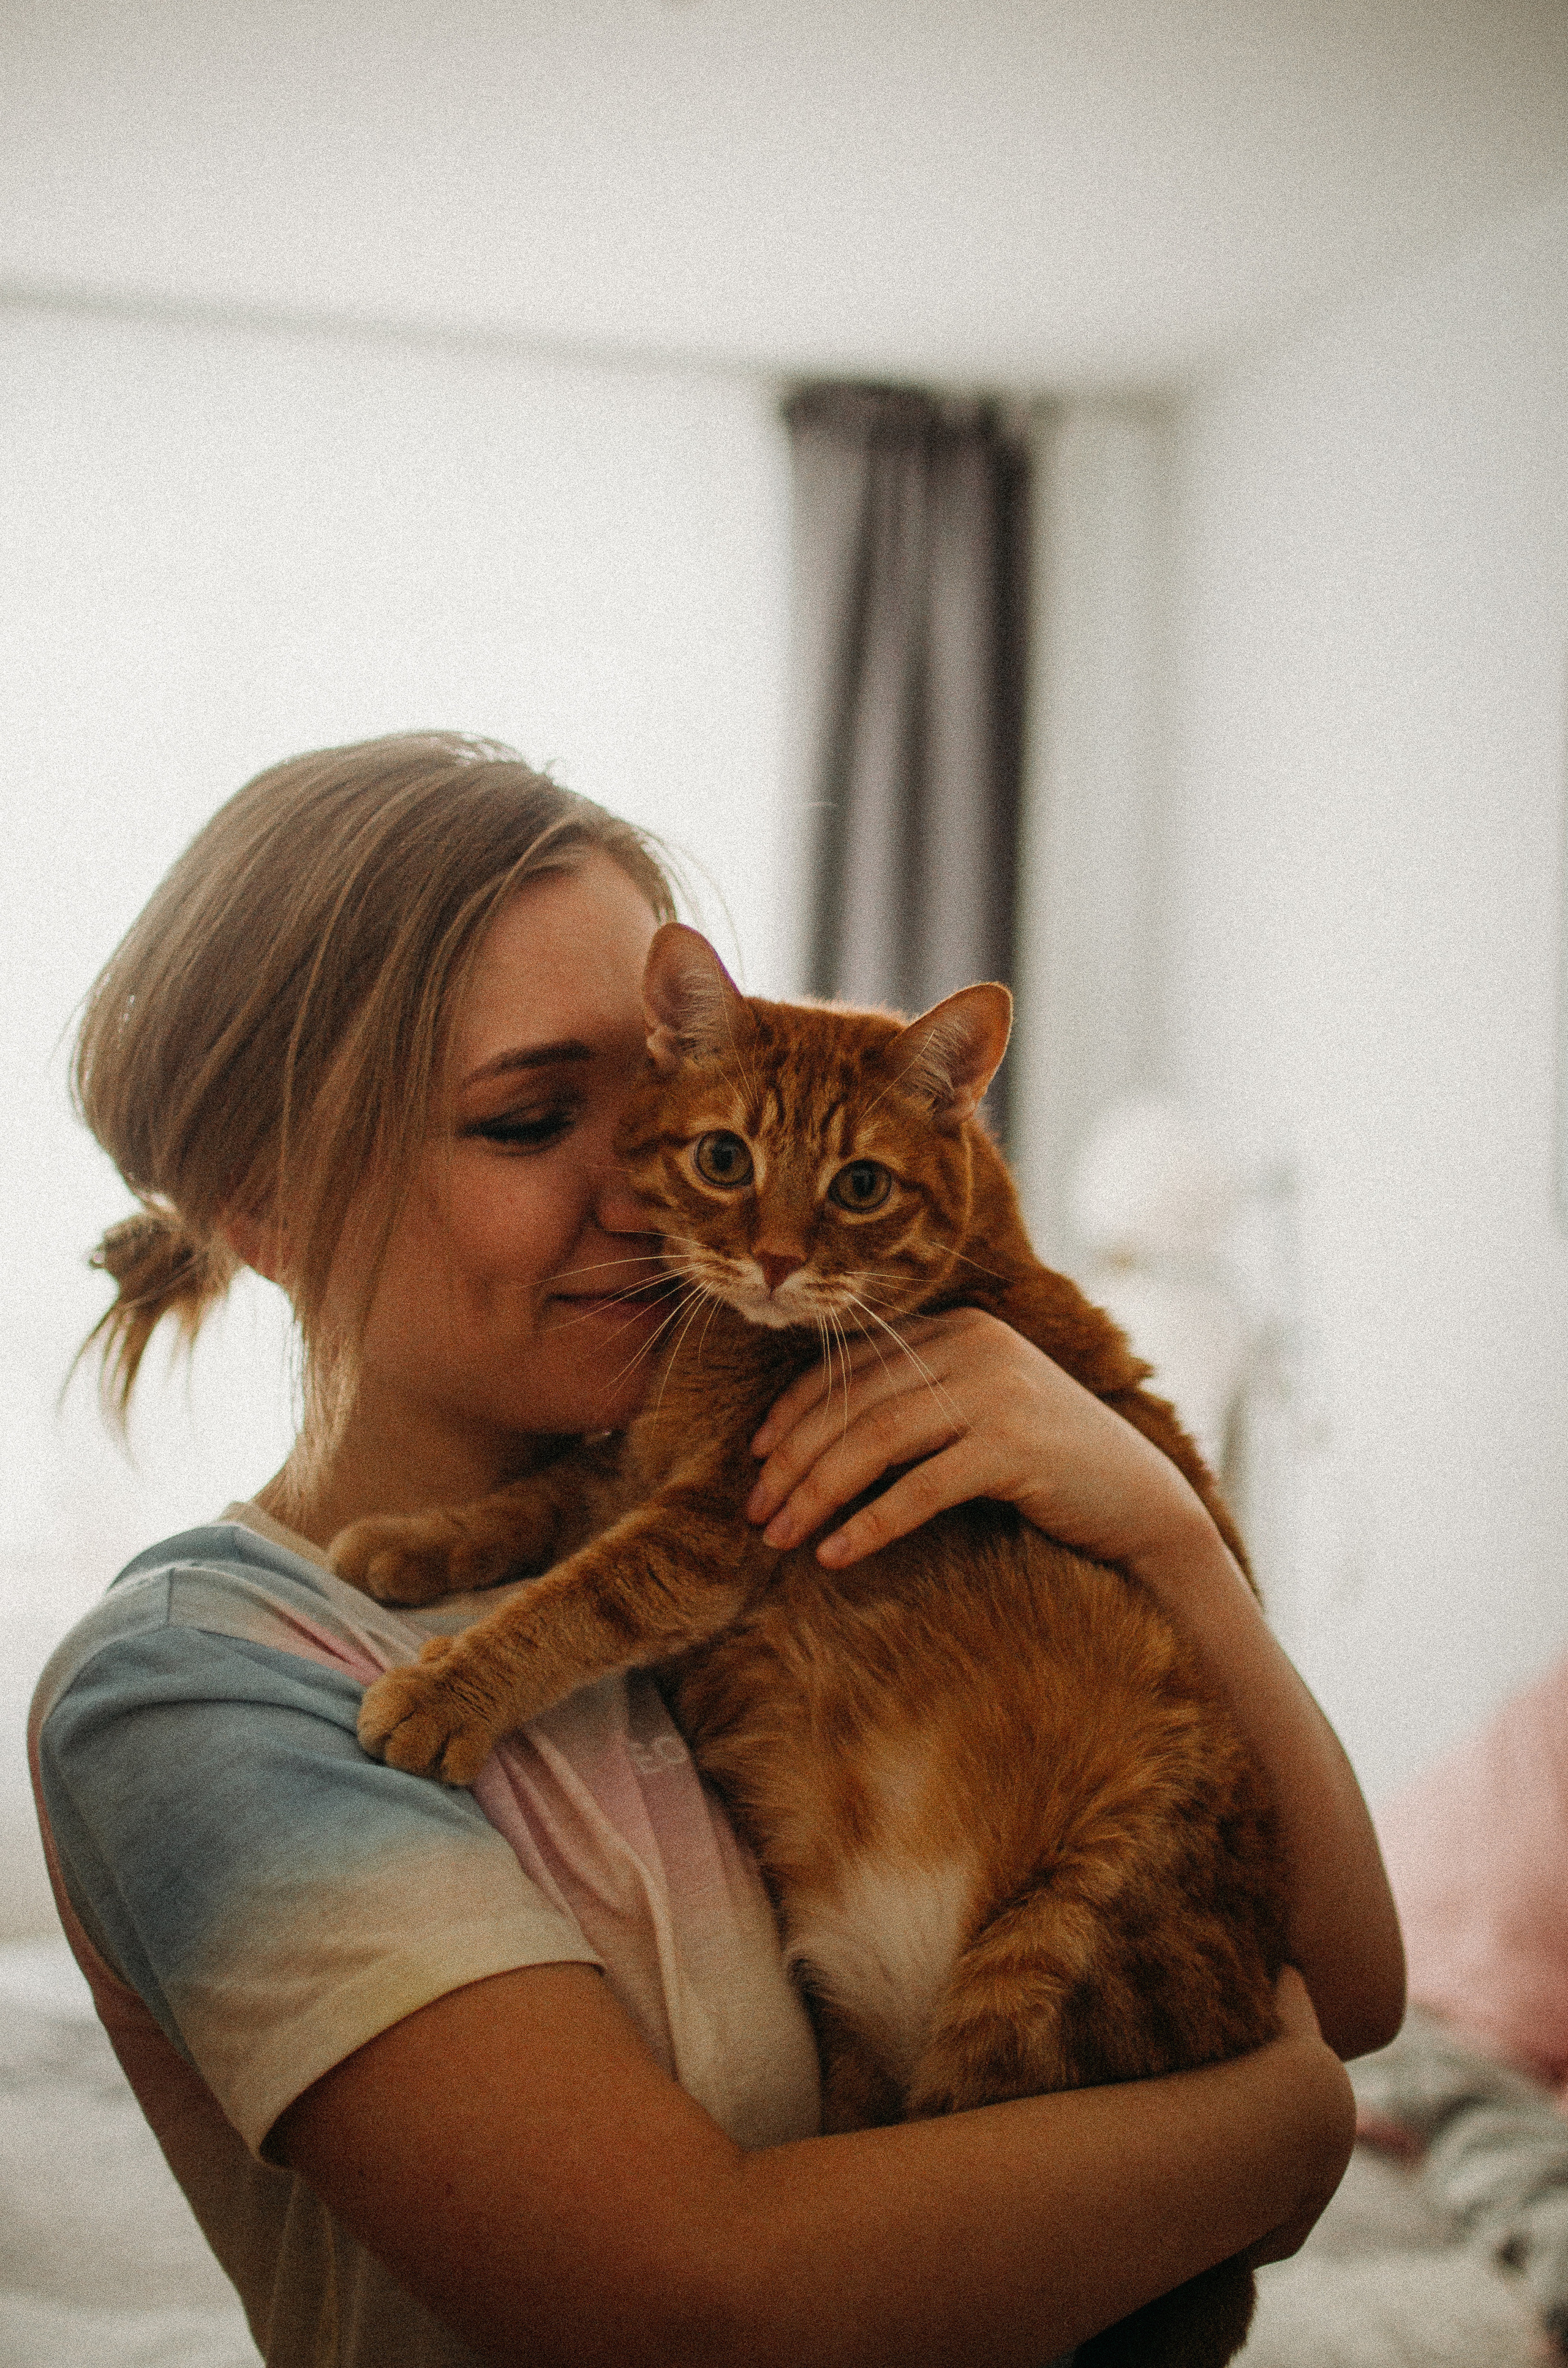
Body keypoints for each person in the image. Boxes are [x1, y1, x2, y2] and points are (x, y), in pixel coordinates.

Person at [29, 731, 1401, 2368]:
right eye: (538, 1119)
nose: (650, 1174)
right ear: (267, 1202)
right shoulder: (195, 1687)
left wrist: (1166, 1528)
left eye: (665, 1090)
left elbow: (1353, 1968)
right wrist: (1290, 2132)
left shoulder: (818, 1491)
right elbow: (699, 2303)